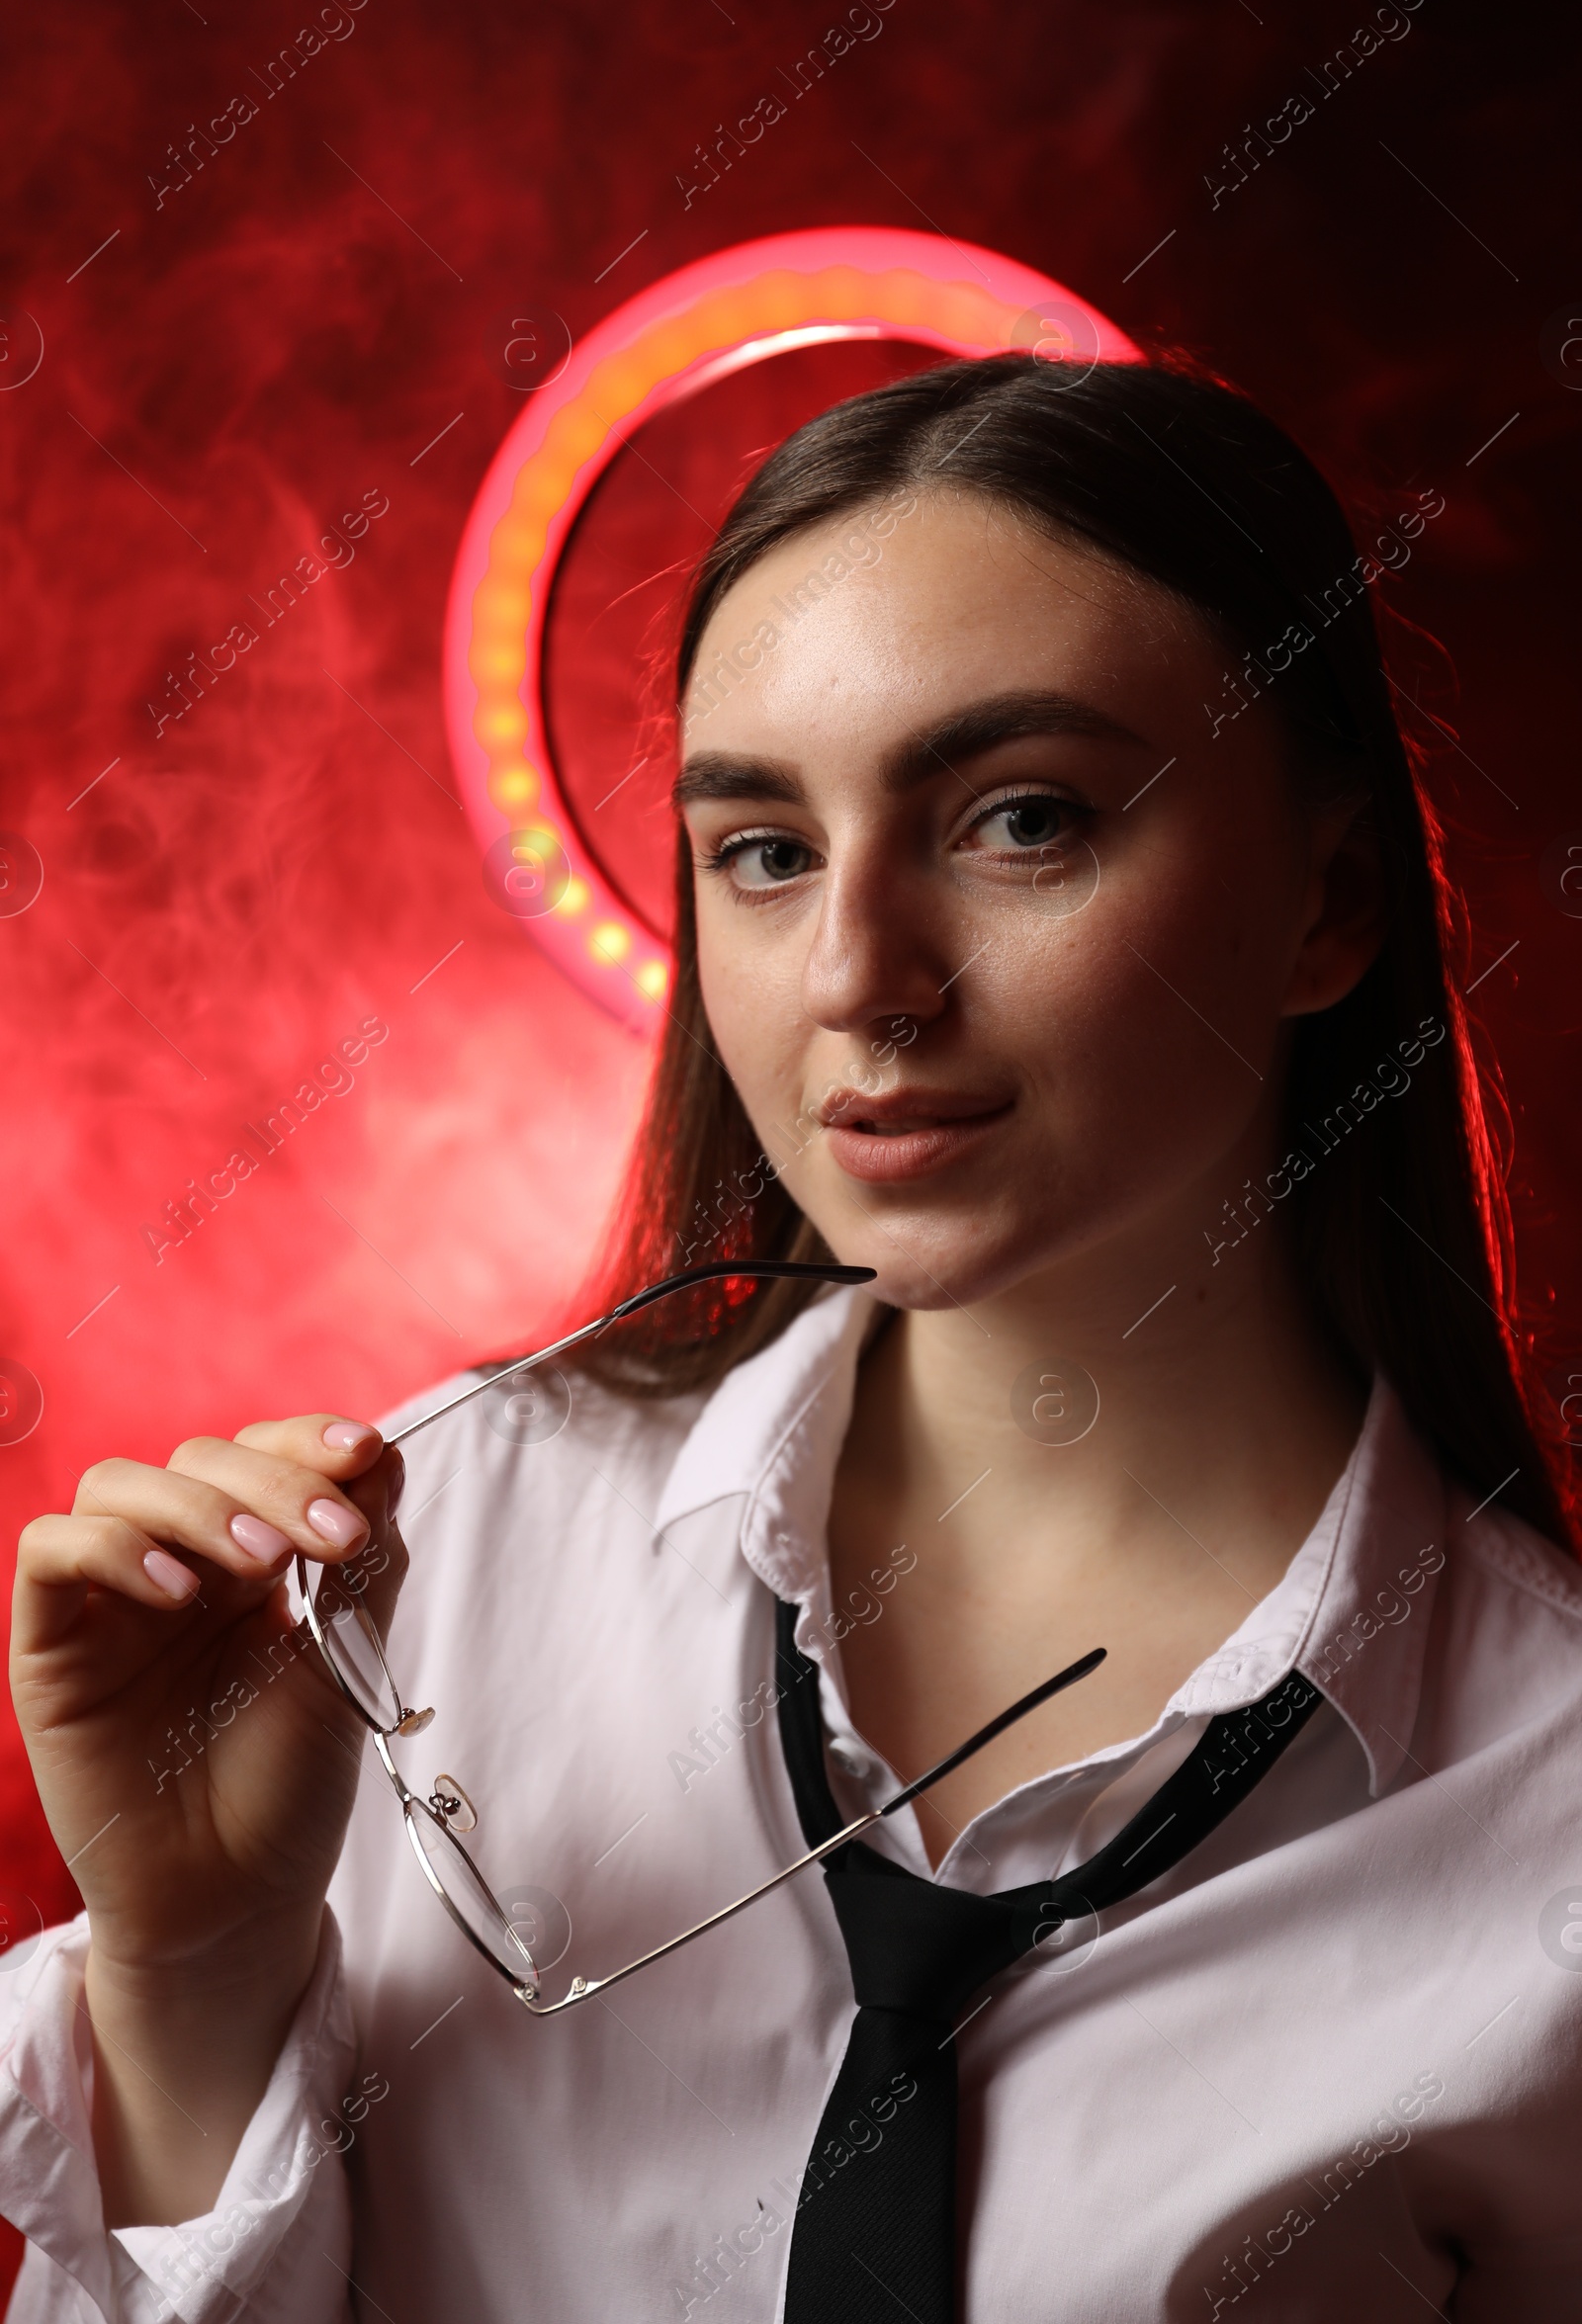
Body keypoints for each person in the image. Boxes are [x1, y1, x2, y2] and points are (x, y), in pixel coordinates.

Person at [6, 351, 1581, 2324]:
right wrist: (186, 1975)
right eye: (761, 850)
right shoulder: (414, 1567)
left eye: (1018, 820)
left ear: (1325, 897)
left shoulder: (1547, 1819)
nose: (855, 979)